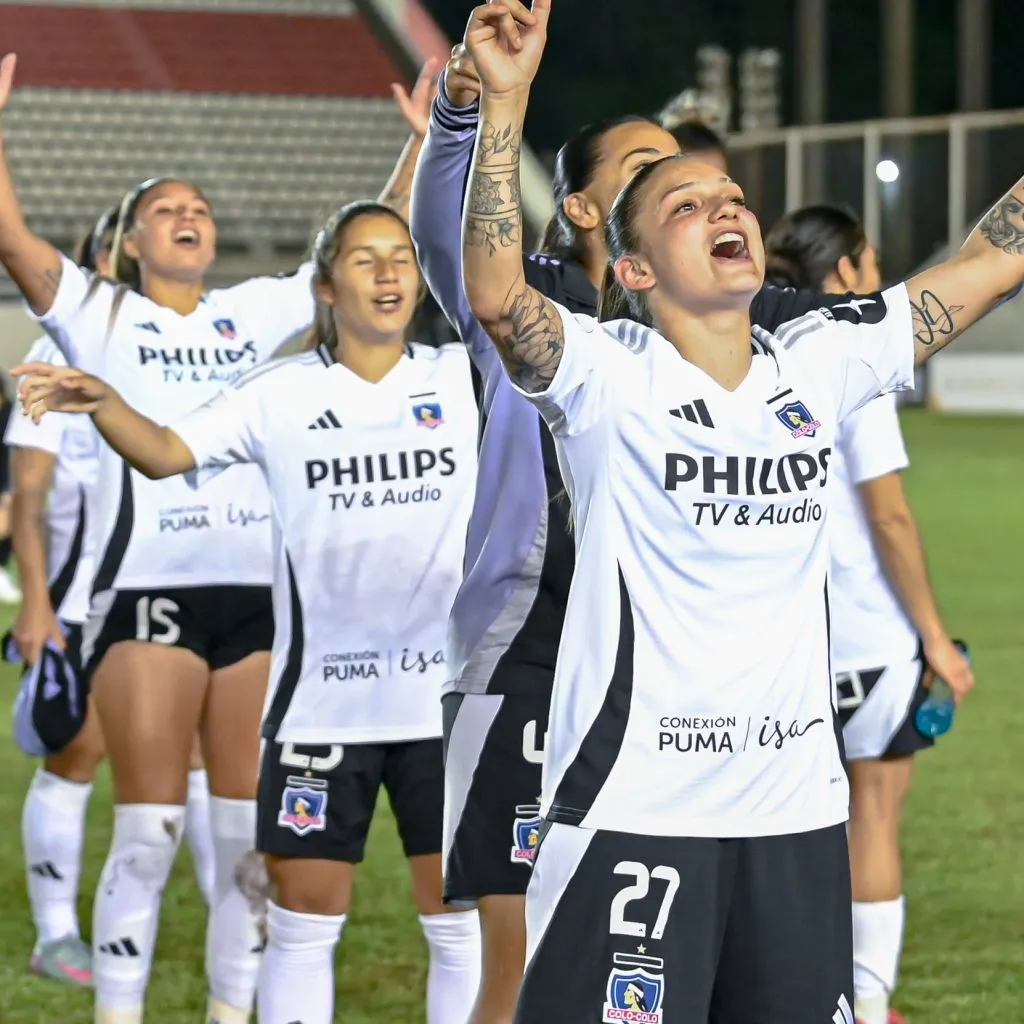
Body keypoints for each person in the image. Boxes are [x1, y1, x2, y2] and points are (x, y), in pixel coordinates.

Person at [458, 2, 1024, 1021]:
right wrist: (503, 102)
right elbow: (499, 296)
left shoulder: (819, 357)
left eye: (729, 193)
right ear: (630, 269)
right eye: (681, 204)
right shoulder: (603, 375)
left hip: (797, 816)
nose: (725, 205)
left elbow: (984, 266)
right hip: (634, 808)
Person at [411, 21, 865, 1024]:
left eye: (709, 182)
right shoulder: (556, 320)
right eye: (652, 174)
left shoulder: (754, 330)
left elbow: (865, 325)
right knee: (517, 957)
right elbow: (458, 253)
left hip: (726, 733)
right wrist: (474, 112)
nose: (695, 188)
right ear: (591, 212)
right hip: (536, 651)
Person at [0, 49, 433, 1024]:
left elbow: (372, 236)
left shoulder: (253, 313)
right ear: (130, 241)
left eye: (198, 204)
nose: (188, 214)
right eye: (164, 207)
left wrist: (413, 145)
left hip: (255, 604)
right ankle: (119, 1009)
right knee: (148, 833)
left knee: (249, 841)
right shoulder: (97, 314)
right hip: (148, 597)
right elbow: (12, 236)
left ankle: (232, 1014)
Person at [764, 205, 974, 1024]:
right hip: (868, 638)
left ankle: (798, 991)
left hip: (785, 648)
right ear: (845, 273)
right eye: (872, 265)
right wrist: (934, 639)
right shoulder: (856, 352)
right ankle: (869, 1000)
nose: (879, 279)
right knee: (874, 817)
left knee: (790, 833)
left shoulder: (759, 349)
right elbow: (887, 517)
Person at [4, 206, 217, 985]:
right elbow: (28, 498)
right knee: (78, 752)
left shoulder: (183, 352)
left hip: (173, 587)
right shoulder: (52, 350)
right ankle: (56, 933)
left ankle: (230, 908)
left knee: (197, 754)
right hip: (86, 596)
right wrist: (34, 603)